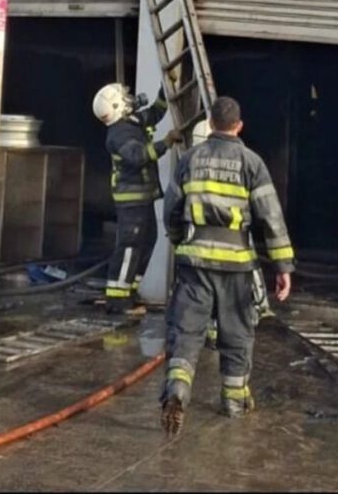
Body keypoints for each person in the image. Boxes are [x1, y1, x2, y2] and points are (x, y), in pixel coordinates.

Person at [160, 96, 295, 435]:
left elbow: (172, 209)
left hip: (195, 262)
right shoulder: (252, 162)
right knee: (237, 333)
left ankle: (178, 388)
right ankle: (233, 401)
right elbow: (271, 218)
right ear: (239, 125)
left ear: (210, 123)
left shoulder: (190, 159)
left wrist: (179, 241)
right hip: (236, 264)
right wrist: (283, 266)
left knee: (187, 331)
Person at [93, 83, 182, 315]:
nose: (130, 98)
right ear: (117, 106)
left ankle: (129, 292)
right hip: (131, 199)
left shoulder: (130, 122)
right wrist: (166, 143)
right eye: (125, 97)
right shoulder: (119, 133)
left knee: (148, 240)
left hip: (143, 196)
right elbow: (138, 155)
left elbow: (155, 112)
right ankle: (118, 300)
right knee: (130, 246)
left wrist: (165, 88)